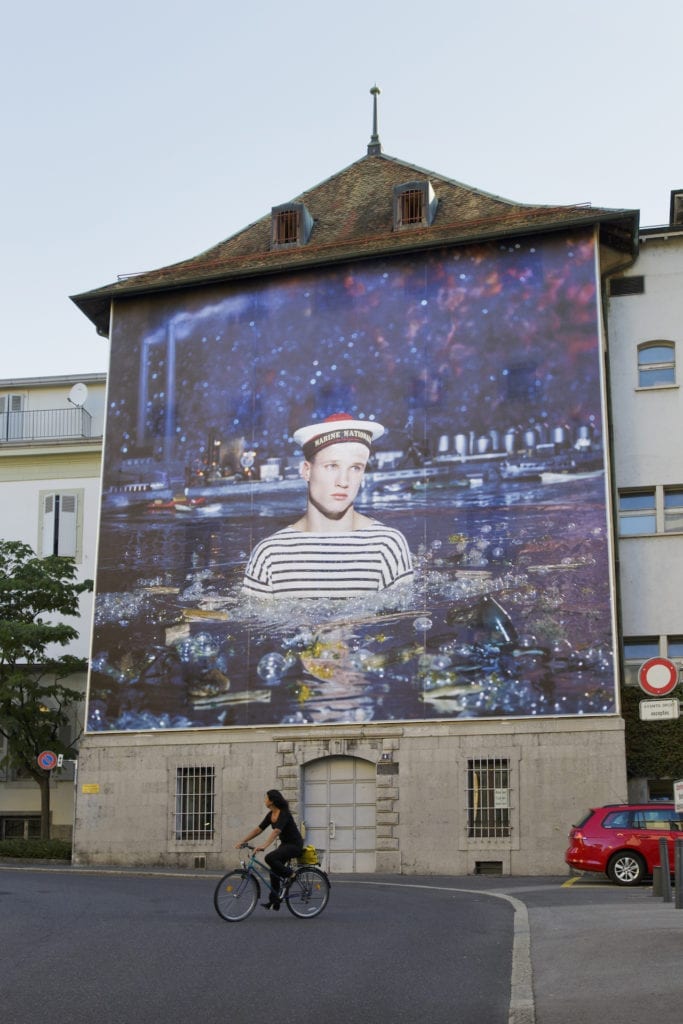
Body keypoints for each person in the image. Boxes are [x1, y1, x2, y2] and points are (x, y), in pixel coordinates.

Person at [243, 413, 414, 597]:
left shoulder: (387, 546)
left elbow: (398, 622)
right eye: (331, 466)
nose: (343, 481)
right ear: (306, 471)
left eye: (355, 468)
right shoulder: (269, 555)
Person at [235, 789, 304, 911]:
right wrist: (243, 841)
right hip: (285, 844)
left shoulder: (284, 814)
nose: (264, 800)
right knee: (274, 871)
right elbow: (258, 829)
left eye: (266, 798)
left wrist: (264, 846)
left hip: (295, 845)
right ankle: (275, 901)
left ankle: (291, 875)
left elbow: (276, 831)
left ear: (271, 801)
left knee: (270, 858)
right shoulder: (270, 815)